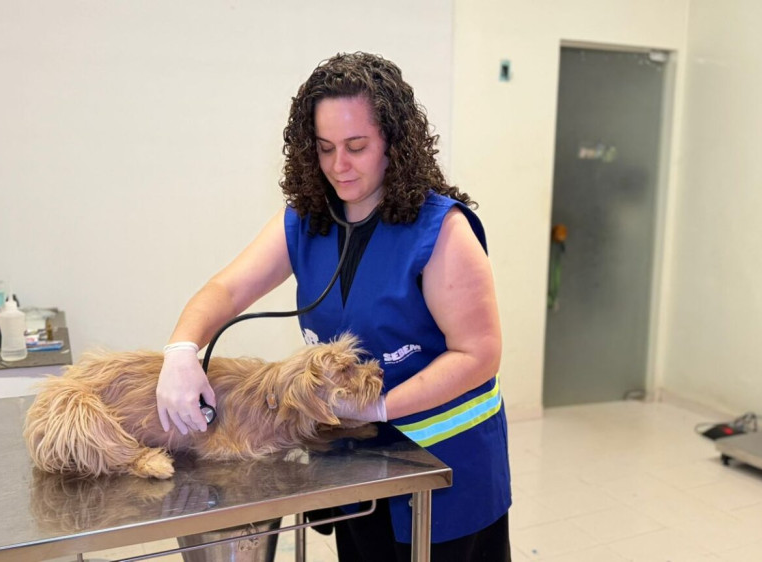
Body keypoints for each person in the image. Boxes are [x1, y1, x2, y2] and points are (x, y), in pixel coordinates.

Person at [157, 52, 512, 562]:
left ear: (394, 141)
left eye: (357, 147)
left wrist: (381, 406)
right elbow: (228, 290)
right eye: (325, 149)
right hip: (359, 461)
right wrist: (182, 349)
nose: (338, 166)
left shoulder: (442, 233)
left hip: (446, 466)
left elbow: (479, 354)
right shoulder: (307, 221)